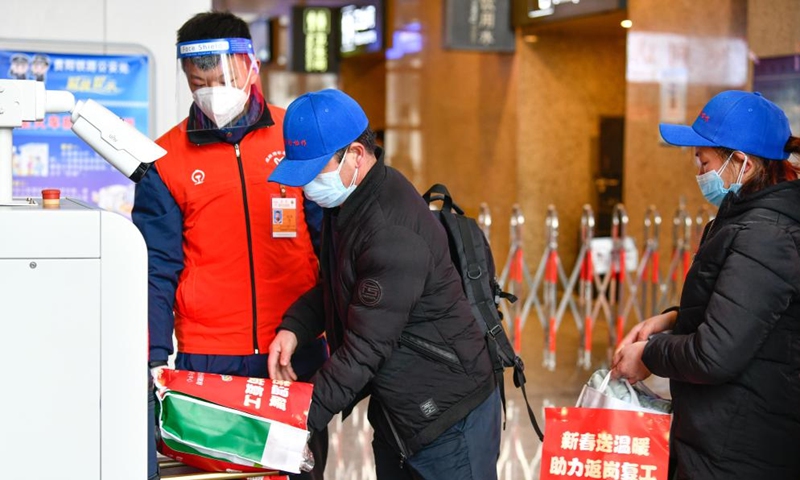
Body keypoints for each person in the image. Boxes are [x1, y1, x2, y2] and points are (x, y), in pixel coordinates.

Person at [131, 11, 328, 480]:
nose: (212, 92)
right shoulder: (165, 161)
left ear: (250, 65)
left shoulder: (295, 139)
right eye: (199, 83)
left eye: (222, 78)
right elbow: (156, 268)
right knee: (223, 474)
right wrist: (154, 357)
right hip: (210, 357)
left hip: (295, 348)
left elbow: (331, 245)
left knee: (300, 470)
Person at [267, 89, 502, 480]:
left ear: (356, 155)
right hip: (401, 412)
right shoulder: (348, 202)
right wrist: (294, 329)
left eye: (313, 173)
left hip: (449, 418)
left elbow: (364, 349)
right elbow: (337, 287)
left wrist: (296, 419)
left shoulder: (390, 230)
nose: (305, 187)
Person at [612, 90, 800, 480]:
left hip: (741, 449)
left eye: (705, 160)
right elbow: (746, 310)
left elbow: (715, 354)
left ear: (743, 164)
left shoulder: (766, 235)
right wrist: (672, 319)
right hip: (721, 434)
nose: (699, 172)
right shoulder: (743, 220)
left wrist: (649, 354)